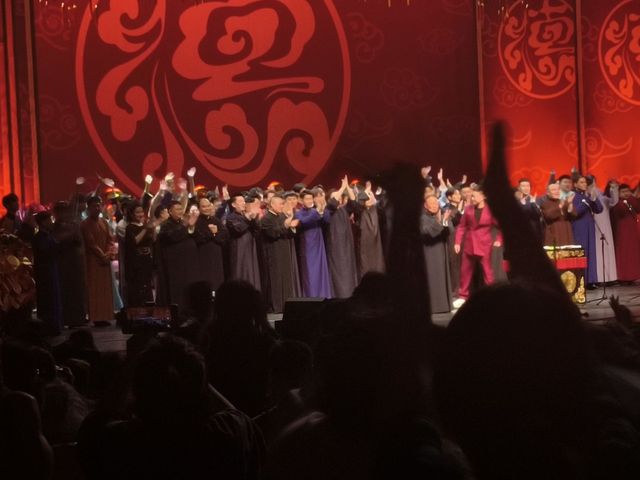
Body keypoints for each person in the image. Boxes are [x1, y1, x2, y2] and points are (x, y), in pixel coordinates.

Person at [96, 336, 265, 479]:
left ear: (139, 390)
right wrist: (195, 373)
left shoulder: (120, 442)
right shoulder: (230, 432)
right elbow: (239, 416)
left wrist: (131, 361)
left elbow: (97, 420)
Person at [453, 184, 502, 308]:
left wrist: (499, 240)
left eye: (474, 196)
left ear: (483, 196)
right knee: (465, 271)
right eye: (471, 196)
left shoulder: (491, 210)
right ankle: (463, 296)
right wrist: (457, 242)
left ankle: (492, 295)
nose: (472, 198)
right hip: (469, 244)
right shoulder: (468, 209)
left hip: (484, 245)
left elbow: (501, 226)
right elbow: (461, 226)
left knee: (487, 272)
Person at [157, 200, 199, 316]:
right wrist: (186, 225)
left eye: (181, 209)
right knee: (176, 290)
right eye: (177, 209)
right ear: (170, 211)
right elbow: (172, 237)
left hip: (187, 263)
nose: (180, 212)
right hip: (174, 264)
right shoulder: (166, 225)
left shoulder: (182, 223)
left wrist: (191, 226)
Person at [261, 195, 300, 313]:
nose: (282, 206)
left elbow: (289, 235)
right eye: (280, 204)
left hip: (284, 252)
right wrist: (285, 225)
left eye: (283, 204)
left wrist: (292, 227)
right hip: (273, 253)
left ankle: (287, 305)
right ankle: (276, 306)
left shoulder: (282, 216)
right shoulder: (266, 219)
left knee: (286, 278)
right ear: (272, 205)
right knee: (276, 280)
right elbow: (272, 234)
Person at [51, 201, 88, 327]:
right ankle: (67, 318)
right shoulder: (54, 227)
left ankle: (78, 317)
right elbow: (56, 240)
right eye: (60, 211)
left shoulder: (72, 225)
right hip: (63, 264)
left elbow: (80, 242)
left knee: (77, 291)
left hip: (75, 263)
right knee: (66, 292)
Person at [81, 196, 115, 326]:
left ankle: (105, 316)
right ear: (88, 208)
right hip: (93, 261)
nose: (97, 208)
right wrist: (103, 256)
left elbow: (110, 239)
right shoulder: (85, 224)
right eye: (94, 206)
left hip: (104, 260)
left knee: (105, 289)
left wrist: (109, 253)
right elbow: (91, 244)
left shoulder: (104, 222)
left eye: (99, 205)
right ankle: (96, 317)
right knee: (95, 290)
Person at [294, 189, 332, 298]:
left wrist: (323, 209)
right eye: (307, 199)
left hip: (319, 245)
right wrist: (317, 212)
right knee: (310, 273)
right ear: (301, 200)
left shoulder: (315, 211)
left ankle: (324, 295)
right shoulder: (298, 213)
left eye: (311, 198)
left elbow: (327, 220)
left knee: (321, 271)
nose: (310, 201)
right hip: (307, 246)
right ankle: (311, 296)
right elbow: (304, 221)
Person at [326, 178, 359, 298]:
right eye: (336, 196)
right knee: (339, 270)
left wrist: (348, 188)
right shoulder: (328, 210)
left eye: (340, 196)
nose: (339, 198)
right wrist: (341, 188)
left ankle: (350, 294)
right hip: (336, 245)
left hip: (347, 244)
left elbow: (354, 202)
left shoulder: (344, 209)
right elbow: (332, 203)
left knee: (349, 269)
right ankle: (340, 295)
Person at [32, 211, 63, 335]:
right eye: (49, 220)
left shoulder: (48, 236)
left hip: (51, 270)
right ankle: (48, 327)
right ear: (43, 222)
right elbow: (45, 253)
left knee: (54, 299)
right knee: (48, 300)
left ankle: (54, 325)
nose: (51, 222)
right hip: (45, 273)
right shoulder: (39, 238)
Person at [420, 195, 453, 313]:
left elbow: (449, 231)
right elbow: (425, 232)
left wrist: (444, 221)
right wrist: (440, 222)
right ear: (425, 205)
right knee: (433, 277)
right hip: (430, 252)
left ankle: (444, 305)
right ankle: (434, 306)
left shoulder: (441, 216)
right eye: (432, 203)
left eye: (436, 203)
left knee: (442, 277)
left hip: (441, 251)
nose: (435, 206)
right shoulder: (422, 218)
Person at [571, 176, 603, 287]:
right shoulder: (573, 196)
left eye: (585, 182)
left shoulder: (588, 195)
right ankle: (581, 280)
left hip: (590, 227)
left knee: (591, 253)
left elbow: (599, 209)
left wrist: (593, 198)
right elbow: (575, 212)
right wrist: (585, 202)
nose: (584, 184)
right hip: (579, 227)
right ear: (575, 184)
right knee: (582, 253)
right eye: (581, 182)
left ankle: (591, 280)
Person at [225, 194, 262, 290]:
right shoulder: (231, 217)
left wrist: (254, 219)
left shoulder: (246, 215)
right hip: (239, 248)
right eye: (240, 201)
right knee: (240, 270)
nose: (243, 203)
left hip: (250, 247)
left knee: (251, 271)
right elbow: (238, 229)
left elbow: (257, 231)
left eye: (244, 201)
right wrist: (247, 218)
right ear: (233, 204)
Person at [194, 197, 229, 292]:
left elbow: (225, 234)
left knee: (218, 281)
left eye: (208, 206)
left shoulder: (215, 220)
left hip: (217, 256)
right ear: (199, 208)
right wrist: (213, 233)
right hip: (203, 256)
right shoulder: (196, 222)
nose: (207, 208)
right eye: (203, 207)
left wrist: (214, 234)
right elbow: (199, 237)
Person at [124, 202, 156, 307]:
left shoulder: (145, 225)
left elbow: (153, 240)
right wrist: (145, 228)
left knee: (147, 285)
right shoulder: (129, 227)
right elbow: (135, 241)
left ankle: (149, 309)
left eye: (141, 212)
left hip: (147, 259)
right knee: (138, 287)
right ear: (131, 214)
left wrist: (153, 229)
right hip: (136, 262)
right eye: (137, 212)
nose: (141, 214)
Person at [355, 183, 385, 278]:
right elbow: (358, 200)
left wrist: (374, 200)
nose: (368, 199)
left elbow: (383, 207)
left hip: (376, 246)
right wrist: (366, 191)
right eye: (366, 197)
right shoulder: (360, 211)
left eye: (370, 196)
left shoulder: (377, 210)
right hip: (365, 246)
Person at [611, 184, 640, 283]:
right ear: (618, 193)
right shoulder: (618, 203)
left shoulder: (630, 201)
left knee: (633, 253)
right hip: (623, 231)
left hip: (633, 231)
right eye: (623, 192)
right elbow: (621, 211)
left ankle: (633, 275)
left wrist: (633, 197)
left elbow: (638, 208)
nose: (626, 193)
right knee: (624, 253)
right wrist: (632, 197)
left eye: (627, 191)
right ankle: (623, 277)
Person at [593, 178, 618, 284]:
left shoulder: (602, 198)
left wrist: (613, 188)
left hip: (605, 227)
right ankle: (598, 278)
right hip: (593, 228)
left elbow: (613, 201)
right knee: (597, 253)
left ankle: (609, 277)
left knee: (606, 251)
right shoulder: (586, 197)